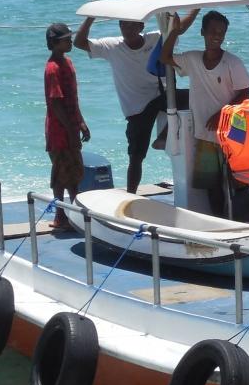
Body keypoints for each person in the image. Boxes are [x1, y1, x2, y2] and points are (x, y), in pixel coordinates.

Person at [160, 10, 249, 214]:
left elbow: (246, 93)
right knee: (212, 187)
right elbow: (164, 57)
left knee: (238, 183)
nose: (217, 36)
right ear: (202, 32)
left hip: (232, 134)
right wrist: (174, 31)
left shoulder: (233, 62)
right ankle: (219, 221)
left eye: (221, 32)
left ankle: (241, 220)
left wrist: (222, 114)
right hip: (205, 134)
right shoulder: (192, 59)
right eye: (212, 31)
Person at [73, 13, 174, 194]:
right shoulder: (113, 46)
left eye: (132, 25)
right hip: (137, 108)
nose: (128, 30)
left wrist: (179, 14)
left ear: (141, 27)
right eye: (124, 25)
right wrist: (90, 17)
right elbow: (79, 42)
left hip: (160, 96)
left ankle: (164, 136)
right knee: (136, 157)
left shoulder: (155, 38)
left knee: (188, 100)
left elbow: (176, 30)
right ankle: (131, 194)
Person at [43, 22, 90, 233]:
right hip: (58, 130)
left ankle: (75, 213)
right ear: (54, 43)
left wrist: (81, 122)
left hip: (71, 125)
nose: (70, 41)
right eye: (66, 39)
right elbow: (55, 103)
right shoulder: (52, 68)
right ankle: (60, 215)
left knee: (74, 172)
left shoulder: (68, 63)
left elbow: (72, 99)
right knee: (60, 173)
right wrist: (70, 129)